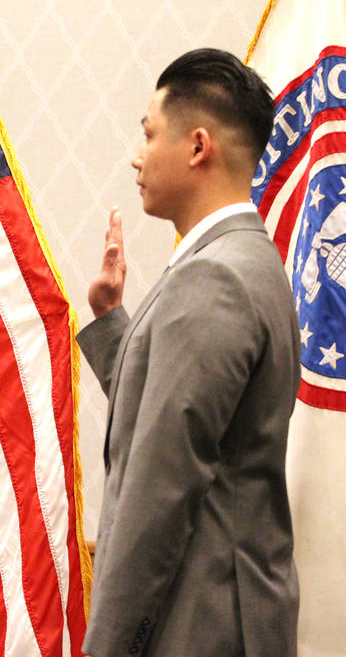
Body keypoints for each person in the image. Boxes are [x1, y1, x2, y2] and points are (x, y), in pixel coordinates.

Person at [78, 48, 300, 656]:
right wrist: (111, 323)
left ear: (198, 146)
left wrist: (107, 649)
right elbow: (179, 417)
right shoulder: (246, 260)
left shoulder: (216, 277)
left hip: (199, 630)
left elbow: (160, 488)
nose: (136, 155)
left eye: (149, 134)